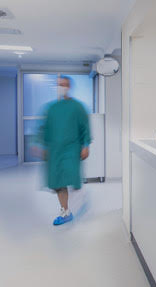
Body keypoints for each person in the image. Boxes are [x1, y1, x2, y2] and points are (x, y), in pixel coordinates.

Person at [40, 76, 91, 226]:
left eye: (63, 84)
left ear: (69, 87)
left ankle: (81, 202)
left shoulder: (77, 107)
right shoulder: (52, 108)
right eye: (58, 84)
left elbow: (85, 127)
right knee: (58, 183)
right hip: (55, 151)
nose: (60, 87)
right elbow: (46, 128)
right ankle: (66, 212)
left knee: (73, 180)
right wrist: (43, 146)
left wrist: (86, 145)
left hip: (72, 149)